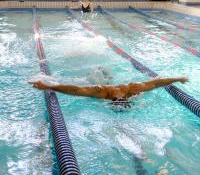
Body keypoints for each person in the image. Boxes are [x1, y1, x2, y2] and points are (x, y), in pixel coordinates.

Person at [29, 77, 188, 107]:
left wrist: (48, 86)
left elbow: (75, 90)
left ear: (112, 100)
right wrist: (177, 78)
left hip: (95, 82)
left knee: (96, 80)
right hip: (110, 80)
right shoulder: (133, 89)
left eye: (117, 99)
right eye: (122, 98)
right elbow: (155, 83)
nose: (119, 96)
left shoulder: (102, 93)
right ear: (126, 97)